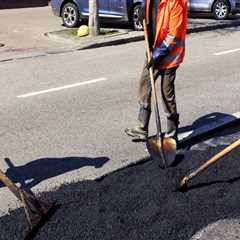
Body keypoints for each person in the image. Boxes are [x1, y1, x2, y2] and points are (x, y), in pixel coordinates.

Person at [125, 0, 188, 143]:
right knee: (145, 84)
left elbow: (174, 34)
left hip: (170, 54)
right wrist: (142, 8)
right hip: (153, 47)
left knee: (166, 93)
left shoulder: (176, 3)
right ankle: (142, 127)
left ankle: (172, 134)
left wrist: (158, 54)